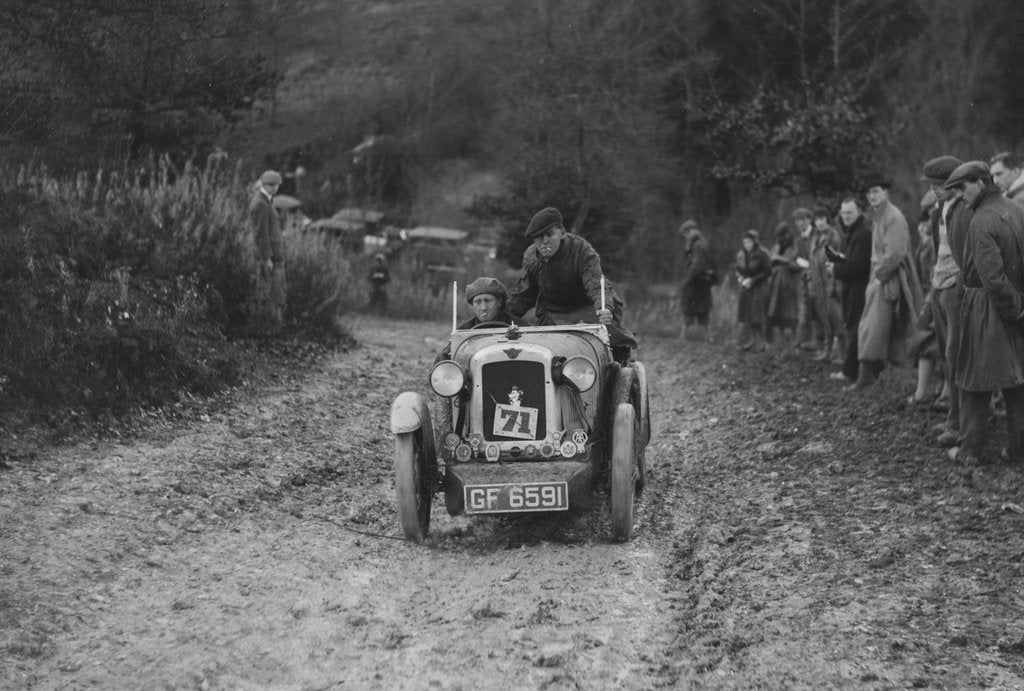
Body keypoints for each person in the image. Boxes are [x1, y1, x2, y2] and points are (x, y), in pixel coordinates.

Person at [943, 161, 1024, 465]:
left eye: (963, 188)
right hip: (1015, 303)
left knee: (974, 380)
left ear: (980, 182)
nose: (961, 195)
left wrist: (1013, 310)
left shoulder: (981, 220)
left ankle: (969, 452)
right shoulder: (1016, 209)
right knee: (1017, 383)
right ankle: (1017, 451)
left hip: (988, 306)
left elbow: (991, 277)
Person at [506, 207, 637, 362]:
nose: (544, 241)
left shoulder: (582, 250)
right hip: (553, 311)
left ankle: (616, 365)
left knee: (607, 338)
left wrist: (604, 307)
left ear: (562, 233)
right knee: (546, 347)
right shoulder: (531, 257)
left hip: (589, 307)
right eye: (538, 237)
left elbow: (596, 284)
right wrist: (502, 317)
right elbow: (524, 295)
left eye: (549, 234)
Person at [850, 174, 922, 390]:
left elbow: (896, 253)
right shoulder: (879, 216)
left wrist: (879, 278)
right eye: (869, 192)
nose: (872, 196)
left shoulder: (893, 216)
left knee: (875, 326)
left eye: (876, 191)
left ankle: (871, 376)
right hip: (880, 276)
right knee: (871, 326)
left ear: (885, 192)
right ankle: (873, 375)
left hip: (889, 278)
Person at [919, 156, 965, 446]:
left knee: (958, 355)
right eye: (932, 185)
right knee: (948, 359)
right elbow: (938, 252)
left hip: (955, 287)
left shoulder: (964, 209)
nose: (934, 189)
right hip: (939, 284)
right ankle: (953, 418)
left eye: (939, 184)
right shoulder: (938, 210)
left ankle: (962, 423)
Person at [828, 197, 872, 383]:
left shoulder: (862, 234)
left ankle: (850, 371)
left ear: (858, 213)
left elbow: (859, 266)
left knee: (855, 328)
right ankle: (851, 370)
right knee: (852, 326)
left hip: (859, 287)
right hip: (851, 286)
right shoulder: (852, 232)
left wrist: (835, 269)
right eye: (843, 212)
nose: (846, 216)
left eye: (850, 213)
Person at [435, 277, 514, 362]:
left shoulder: (521, 327)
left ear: (499, 302)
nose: (483, 308)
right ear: (472, 304)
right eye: (478, 302)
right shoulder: (464, 331)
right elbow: (441, 364)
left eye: (488, 301)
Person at [249, 169, 286, 330]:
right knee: (272, 292)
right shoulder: (261, 203)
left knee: (276, 292)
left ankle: (273, 326)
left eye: (276, 184)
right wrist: (267, 258)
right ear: (264, 185)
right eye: (271, 185)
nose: (274, 188)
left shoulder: (266, 201)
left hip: (274, 256)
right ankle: (270, 327)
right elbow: (260, 234)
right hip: (270, 257)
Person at [807, 208, 844, 362]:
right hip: (817, 284)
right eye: (817, 220)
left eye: (822, 219)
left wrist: (834, 284)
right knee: (824, 318)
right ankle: (827, 350)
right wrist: (810, 281)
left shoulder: (834, 237)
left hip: (830, 284)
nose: (820, 222)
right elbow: (811, 262)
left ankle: (841, 354)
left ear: (828, 220)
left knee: (837, 319)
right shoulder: (815, 238)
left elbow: (838, 260)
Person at [678, 219, 717, 341]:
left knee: (693, 311)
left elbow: (696, 266)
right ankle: (704, 338)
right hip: (699, 284)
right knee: (699, 312)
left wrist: (687, 281)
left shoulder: (698, 245)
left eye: (685, 233)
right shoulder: (697, 244)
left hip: (697, 285)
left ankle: (686, 338)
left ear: (690, 232)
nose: (685, 236)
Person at [766, 221, 801, 348]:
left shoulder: (795, 246)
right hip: (776, 284)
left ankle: (795, 341)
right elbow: (769, 260)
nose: (780, 239)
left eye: (782, 235)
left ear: (787, 234)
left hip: (789, 284)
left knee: (791, 313)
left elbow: (797, 264)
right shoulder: (776, 246)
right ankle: (781, 342)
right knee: (776, 311)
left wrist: (782, 260)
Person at [735, 229, 772, 351]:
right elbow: (738, 269)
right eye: (745, 243)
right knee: (748, 315)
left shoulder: (762, 253)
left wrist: (753, 280)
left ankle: (761, 343)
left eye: (749, 243)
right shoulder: (742, 255)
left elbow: (768, 271)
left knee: (757, 315)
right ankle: (753, 341)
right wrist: (740, 277)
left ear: (754, 242)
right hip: (746, 287)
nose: (747, 245)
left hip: (759, 287)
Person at [791, 207, 817, 351]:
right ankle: (802, 341)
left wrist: (808, 263)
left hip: (818, 279)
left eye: (802, 220)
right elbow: (795, 257)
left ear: (809, 219)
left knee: (817, 311)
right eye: (797, 221)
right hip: (804, 279)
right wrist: (802, 263)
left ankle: (816, 342)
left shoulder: (817, 235)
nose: (800, 223)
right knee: (803, 310)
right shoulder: (798, 239)